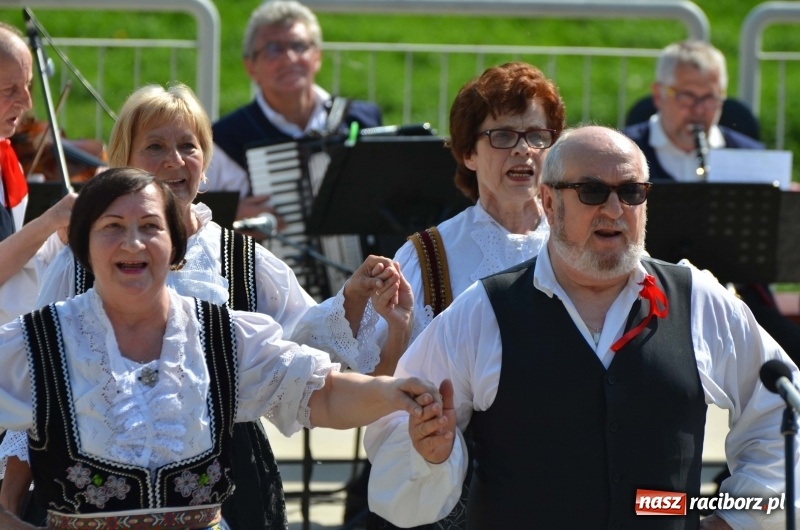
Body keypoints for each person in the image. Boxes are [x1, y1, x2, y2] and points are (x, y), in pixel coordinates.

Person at [0, 82, 409, 529]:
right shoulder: (78, 262)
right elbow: (37, 384)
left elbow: (303, 359)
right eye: (155, 146)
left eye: (188, 146)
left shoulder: (242, 259)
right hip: (89, 480)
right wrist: (10, 500)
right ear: (123, 161)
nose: (174, 161)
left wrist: (354, 305)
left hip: (226, 481)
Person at [366, 125, 799, 530]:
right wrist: (431, 457)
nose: (614, 209)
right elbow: (394, 434)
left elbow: (786, 410)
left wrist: (738, 518)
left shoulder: (698, 301)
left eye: (630, 192)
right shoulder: (483, 311)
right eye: (592, 191)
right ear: (550, 204)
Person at [307, 61, 564, 529]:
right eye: (502, 136)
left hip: (564, 474)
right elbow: (380, 388)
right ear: (468, 153)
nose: (523, 150)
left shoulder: (579, 244)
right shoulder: (428, 255)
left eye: (536, 135)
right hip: (458, 488)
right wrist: (399, 329)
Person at [622, 39, 800, 367]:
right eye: (687, 95)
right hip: (648, 303)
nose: (700, 109)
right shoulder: (625, 152)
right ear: (659, 94)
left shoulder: (750, 155)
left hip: (738, 302)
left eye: (711, 98)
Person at [207, 0, 382, 221]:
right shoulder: (223, 139)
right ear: (251, 67)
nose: (289, 58)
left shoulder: (362, 119)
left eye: (299, 46)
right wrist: (231, 214)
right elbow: (184, 207)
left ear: (317, 57)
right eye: (273, 49)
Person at [0, 22, 75, 325]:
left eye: (28, 86)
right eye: (9, 90)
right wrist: (51, 220)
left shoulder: (7, 158)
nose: (28, 102)